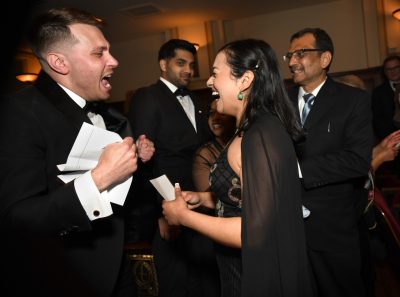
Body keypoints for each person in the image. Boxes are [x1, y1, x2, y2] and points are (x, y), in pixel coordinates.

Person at [0, 7, 154, 297]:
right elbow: (17, 221)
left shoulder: (110, 115)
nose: (114, 61)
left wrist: (137, 162)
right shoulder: (18, 113)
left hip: (117, 268)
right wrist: (98, 179)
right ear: (59, 62)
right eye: (99, 53)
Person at [162, 38, 313, 297]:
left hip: (256, 276)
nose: (209, 82)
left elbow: (254, 233)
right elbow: (248, 197)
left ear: (244, 80)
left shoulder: (260, 135)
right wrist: (204, 199)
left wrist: (184, 217)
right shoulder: (250, 130)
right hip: (235, 269)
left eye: (215, 73)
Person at [285, 27, 374, 297]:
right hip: (287, 228)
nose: (292, 61)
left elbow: (357, 161)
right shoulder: (278, 102)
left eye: (301, 53)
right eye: (289, 55)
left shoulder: (353, 101)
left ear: (325, 59)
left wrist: (296, 169)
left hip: (333, 228)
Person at [127, 39, 218, 297]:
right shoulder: (147, 96)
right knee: (177, 282)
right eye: (181, 63)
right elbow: (144, 162)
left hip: (200, 203)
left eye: (191, 64)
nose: (188, 70)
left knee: (204, 279)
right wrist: (161, 212)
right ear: (163, 64)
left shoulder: (196, 99)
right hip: (168, 204)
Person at [192, 99, 236, 191]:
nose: (215, 118)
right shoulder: (204, 154)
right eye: (211, 113)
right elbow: (208, 199)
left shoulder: (246, 143)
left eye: (222, 112)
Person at [372, 55, 400, 141]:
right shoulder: (378, 93)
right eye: (388, 69)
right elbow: (378, 122)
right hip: (392, 141)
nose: (393, 71)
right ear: (384, 72)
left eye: (396, 67)